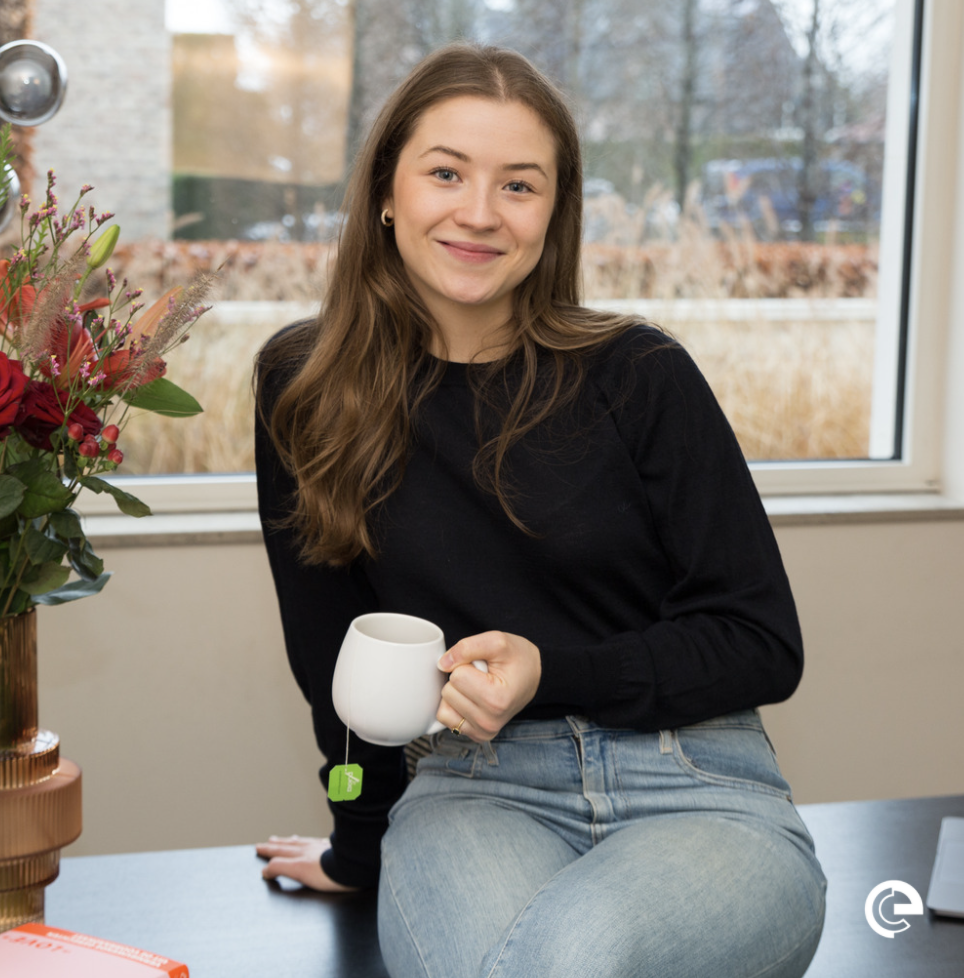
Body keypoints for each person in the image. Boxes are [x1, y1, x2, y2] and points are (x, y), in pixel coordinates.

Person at [253, 42, 826, 978]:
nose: (479, 213)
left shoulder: (640, 375)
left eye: (519, 186)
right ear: (387, 190)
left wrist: (546, 671)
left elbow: (761, 641)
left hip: (695, 784)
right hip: (473, 790)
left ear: (554, 215)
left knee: (568, 958)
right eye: (446, 173)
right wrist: (359, 850)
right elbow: (334, 658)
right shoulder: (304, 383)